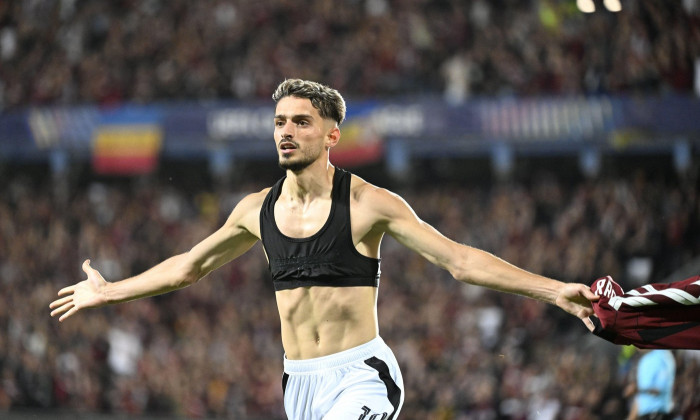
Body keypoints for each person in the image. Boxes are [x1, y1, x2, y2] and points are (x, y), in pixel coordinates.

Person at [49, 79, 599, 419]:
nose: (286, 131)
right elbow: (187, 268)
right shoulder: (254, 210)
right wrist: (111, 291)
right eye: (280, 122)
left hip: (362, 375)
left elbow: (458, 260)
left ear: (332, 135)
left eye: (301, 122)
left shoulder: (369, 204)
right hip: (299, 385)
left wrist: (554, 292)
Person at [624, 349, 676, 420]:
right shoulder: (644, 360)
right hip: (644, 415)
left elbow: (659, 390)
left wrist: (636, 389)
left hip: (658, 414)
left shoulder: (663, 357)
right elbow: (640, 397)